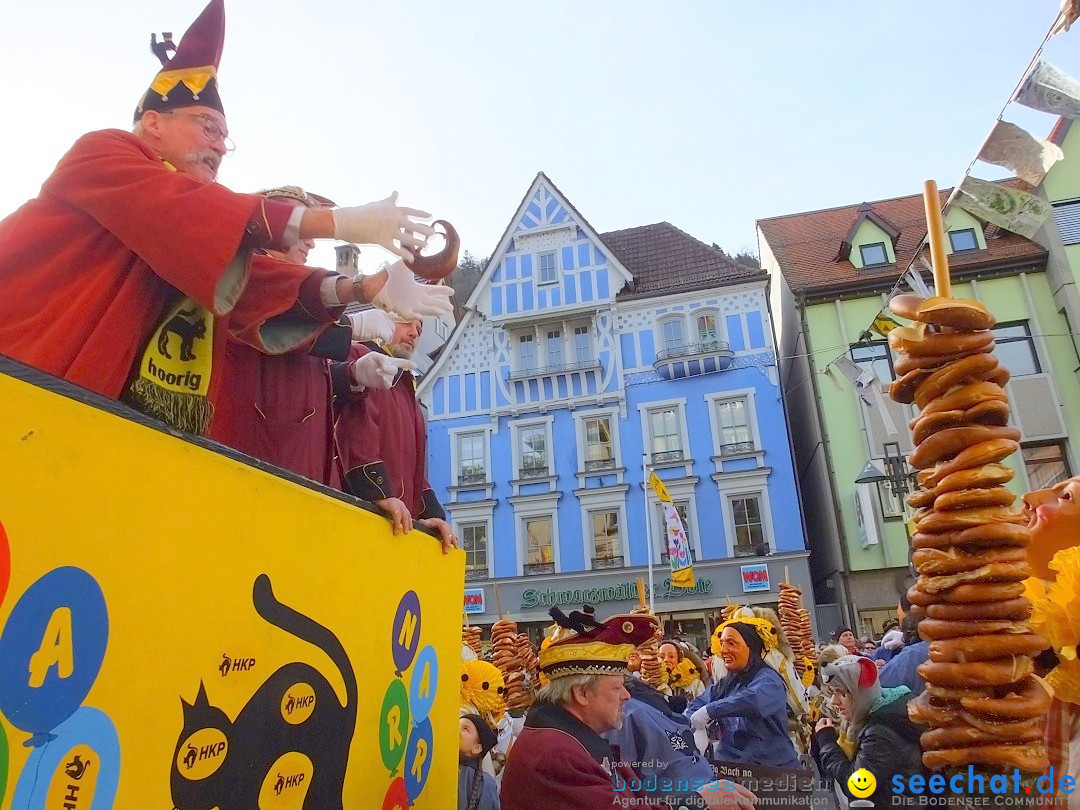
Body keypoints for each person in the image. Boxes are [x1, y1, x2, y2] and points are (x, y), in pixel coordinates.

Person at [0, 0, 450, 400]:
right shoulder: (102, 154)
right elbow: (182, 209)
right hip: (21, 376)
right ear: (153, 122)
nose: (218, 147)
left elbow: (255, 282)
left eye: (225, 139)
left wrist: (366, 288)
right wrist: (337, 223)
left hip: (80, 412)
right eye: (207, 127)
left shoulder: (193, 234)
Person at [207, 186, 407, 482]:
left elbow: (302, 375)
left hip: (295, 468)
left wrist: (351, 375)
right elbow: (280, 327)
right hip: (254, 463)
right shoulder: (242, 272)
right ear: (271, 225)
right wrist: (354, 320)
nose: (311, 243)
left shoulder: (299, 297)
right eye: (301, 225)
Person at [500, 606, 755, 810]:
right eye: (617, 687)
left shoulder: (566, 739)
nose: (626, 696)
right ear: (581, 693)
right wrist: (697, 802)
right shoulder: (555, 754)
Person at [332, 315, 457, 552]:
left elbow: (414, 466)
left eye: (419, 329)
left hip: (397, 520)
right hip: (364, 512)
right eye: (406, 322)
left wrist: (431, 514)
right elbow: (356, 429)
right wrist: (377, 492)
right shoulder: (361, 356)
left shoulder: (406, 387)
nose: (414, 333)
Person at [815, 655, 924, 810]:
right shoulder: (862, 718)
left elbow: (858, 786)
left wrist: (826, 742)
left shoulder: (881, 732)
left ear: (861, 692)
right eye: (832, 692)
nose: (834, 701)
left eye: (841, 693)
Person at [688, 619, 800, 769]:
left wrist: (710, 711)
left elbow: (754, 701)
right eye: (722, 643)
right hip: (729, 768)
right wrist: (690, 723)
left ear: (751, 648)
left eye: (731, 643)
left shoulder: (769, 680)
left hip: (772, 771)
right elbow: (698, 704)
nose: (724, 650)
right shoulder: (726, 683)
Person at [602, 677, 715, 804]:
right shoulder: (629, 709)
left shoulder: (623, 712)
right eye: (617, 688)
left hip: (689, 796)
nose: (625, 695)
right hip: (700, 791)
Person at [459, 714, 500, 810]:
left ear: (477, 748)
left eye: (465, 729)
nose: (457, 729)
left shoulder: (485, 784)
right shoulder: (439, 762)